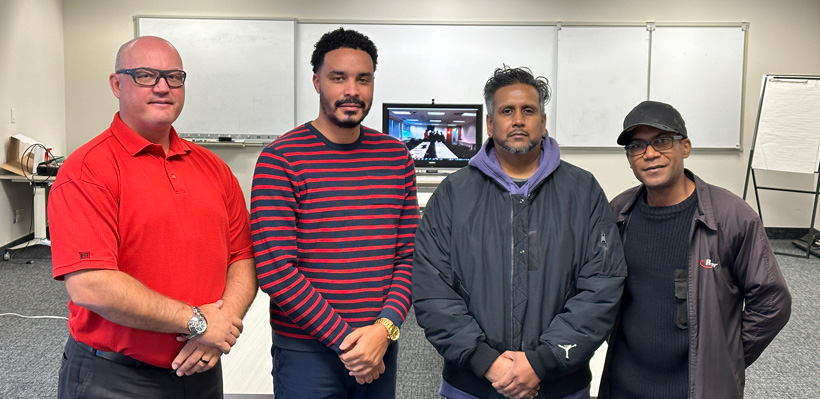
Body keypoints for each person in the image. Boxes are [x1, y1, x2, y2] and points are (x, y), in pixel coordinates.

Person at [49, 36, 257, 398]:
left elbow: (244, 257)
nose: (162, 87)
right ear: (117, 84)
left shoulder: (215, 170)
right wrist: (197, 322)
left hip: (202, 369)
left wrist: (218, 329)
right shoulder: (87, 170)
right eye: (145, 75)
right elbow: (91, 284)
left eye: (174, 77)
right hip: (115, 378)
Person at [412, 66, 627, 399]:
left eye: (528, 111)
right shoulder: (453, 195)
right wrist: (486, 361)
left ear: (542, 122)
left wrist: (542, 362)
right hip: (471, 383)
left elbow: (602, 284)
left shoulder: (582, 191)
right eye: (506, 111)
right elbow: (432, 288)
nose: (518, 120)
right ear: (489, 123)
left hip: (560, 383)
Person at [250, 28, 419, 398]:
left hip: (379, 347)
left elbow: (409, 257)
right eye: (338, 78)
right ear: (316, 81)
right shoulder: (281, 159)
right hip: (308, 353)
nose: (352, 91)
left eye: (363, 79)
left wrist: (384, 329)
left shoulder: (396, 158)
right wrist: (349, 343)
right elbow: (276, 271)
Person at [599, 100, 792, 399]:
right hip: (624, 383)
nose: (650, 154)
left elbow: (771, 302)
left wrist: (724, 358)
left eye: (661, 141)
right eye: (637, 146)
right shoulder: (618, 213)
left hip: (694, 388)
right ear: (629, 157)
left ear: (685, 147)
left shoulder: (731, 217)